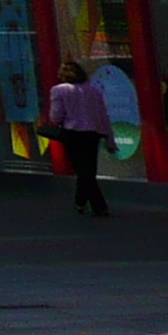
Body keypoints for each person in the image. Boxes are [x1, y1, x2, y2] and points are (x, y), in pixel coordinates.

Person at [45, 61, 113, 218]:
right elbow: (103, 115)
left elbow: (56, 116)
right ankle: (81, 201)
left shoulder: (58, 90)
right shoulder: (94, 91)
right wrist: (110, 139)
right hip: (92, 133)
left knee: (82, 171)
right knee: (89, 170)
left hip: (73, 133)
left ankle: (96, 205)